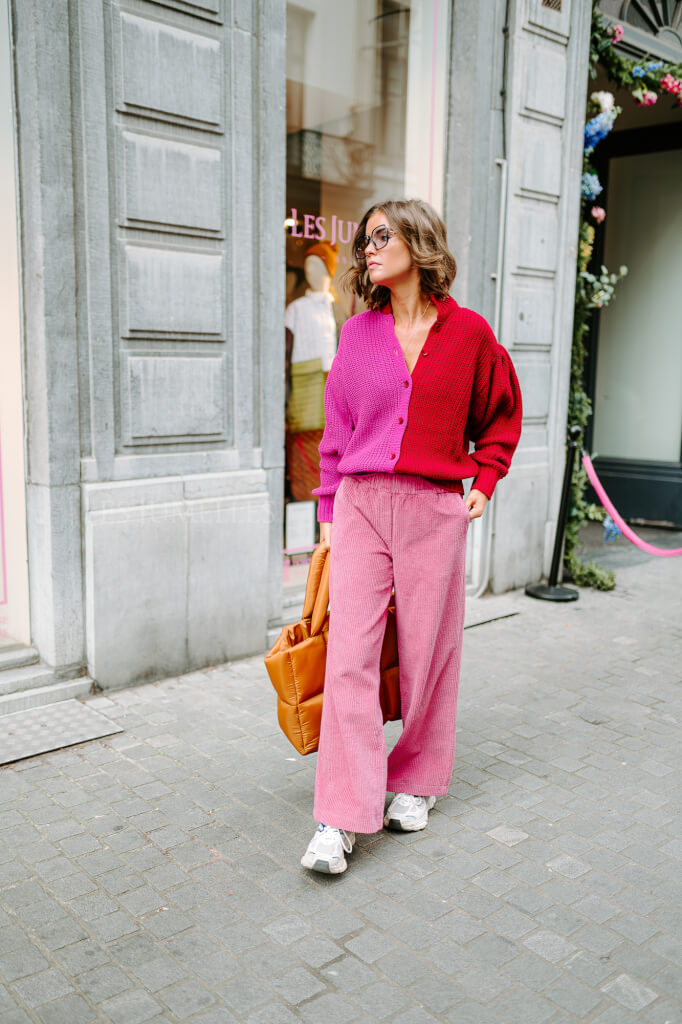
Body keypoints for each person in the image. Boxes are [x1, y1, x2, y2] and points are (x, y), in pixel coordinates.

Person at [302, 198, 522, 874]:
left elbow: (502, 413)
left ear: (419, 245)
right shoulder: (357, 335)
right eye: (366, 240)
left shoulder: (470, 336)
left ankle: (418, 780)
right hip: (364, 504)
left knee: (429, 652)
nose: (368, 249)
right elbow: (336, 435)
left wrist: (484, 480)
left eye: (381, 236)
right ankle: (340, 816)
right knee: (350, 656)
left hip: (434, 506)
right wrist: (331, 515)